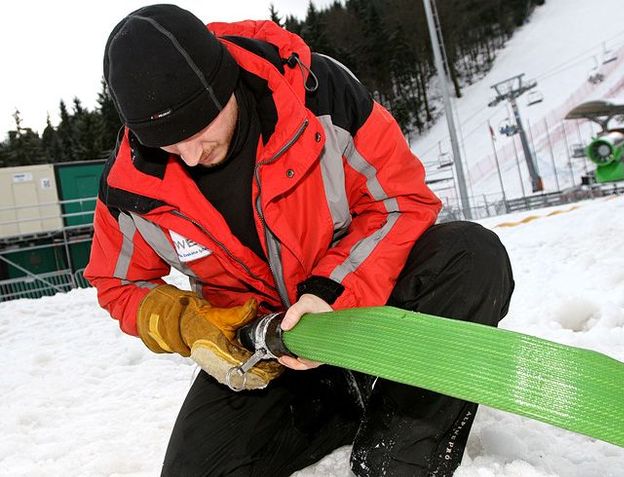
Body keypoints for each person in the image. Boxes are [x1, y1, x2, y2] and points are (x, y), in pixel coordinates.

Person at [85, 4, 514, 476]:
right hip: (268, 350)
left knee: (470, 256)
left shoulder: (318, 96)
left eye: (198, 128)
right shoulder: (130, 187)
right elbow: (118, 282)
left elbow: (400, 201)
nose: (189, 154)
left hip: (364, 307)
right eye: (167, 143)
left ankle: (396, 454)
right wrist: (189, 322)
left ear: (225, 83)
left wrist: (330, 292)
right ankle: (337, 403)